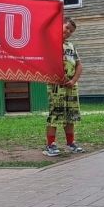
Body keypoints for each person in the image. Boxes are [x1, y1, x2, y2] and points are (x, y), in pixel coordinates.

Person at [44, 18, 84, 156]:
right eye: (66, 28)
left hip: (71, 86)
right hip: (56, 85)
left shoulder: (71, 46)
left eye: (71, 31)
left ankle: (70, 143)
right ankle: (50, 145)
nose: (68, 32)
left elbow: (79, 65)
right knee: (55, 114)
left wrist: (73, 80)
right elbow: (49, 63)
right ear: (60, 25)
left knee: (70, 116)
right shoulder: (51, 43)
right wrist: (62, 78)